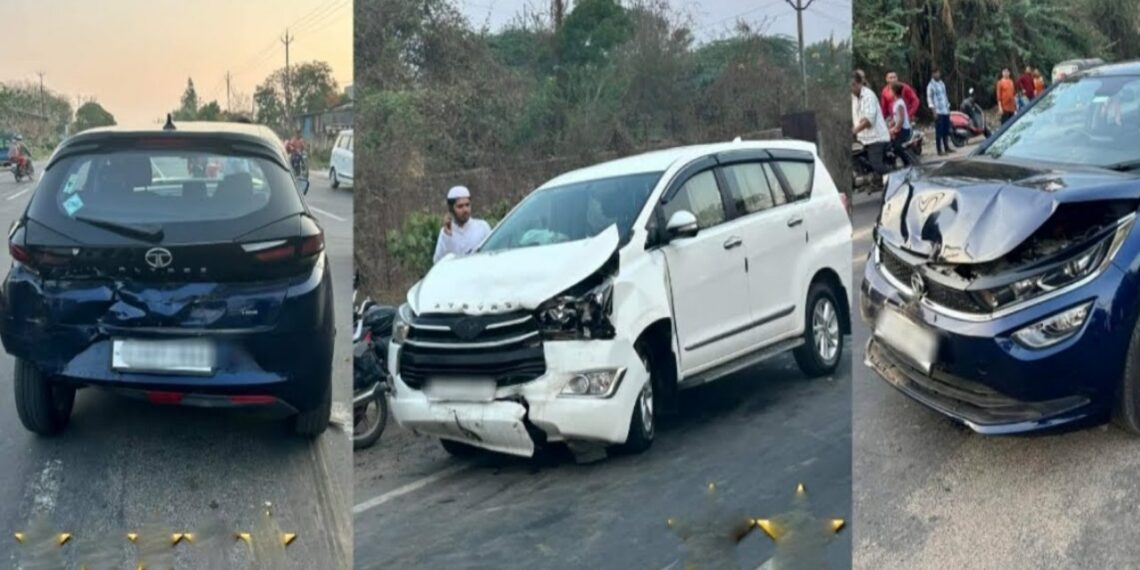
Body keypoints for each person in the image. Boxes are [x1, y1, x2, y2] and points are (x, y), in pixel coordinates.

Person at [433, 185, 492, 264]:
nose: (465, 210)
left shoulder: (482, 227)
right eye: (460, 206)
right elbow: (438, 262)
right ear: (451, 209)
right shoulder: (445, 232)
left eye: (467, 205)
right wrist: (447, 236)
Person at [853, 72, 892, 190]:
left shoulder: (868, 96)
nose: (851, 88)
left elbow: (868, 121)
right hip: (863, 138)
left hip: (876, 138)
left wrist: (853, 131)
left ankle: (897, 181)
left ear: (860, 83)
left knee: (877, 165)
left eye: (853, 84)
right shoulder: (853, 97)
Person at [888, 83, 917, 166]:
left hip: (904, 129)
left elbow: (901, 119)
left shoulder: (900, 103)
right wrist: (890, 124)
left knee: (897, 147)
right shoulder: (896, 102)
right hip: (899, 128)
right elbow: (895, 117)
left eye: (890, 90)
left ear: (894, 91)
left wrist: (894, 129)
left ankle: (907, 163)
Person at [927, 69, 951, 156]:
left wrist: (948, 108)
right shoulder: (930, 86)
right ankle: (939, 150)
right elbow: (929, 99)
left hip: (945, 110)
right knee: (939, 132)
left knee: (946, 130)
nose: (938, 74)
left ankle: (947, 147)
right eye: (936, 73)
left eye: (939, 72)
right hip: (938, 111)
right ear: (933, 74)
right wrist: (933, 111)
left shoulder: (942, 83)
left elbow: (945, 95)